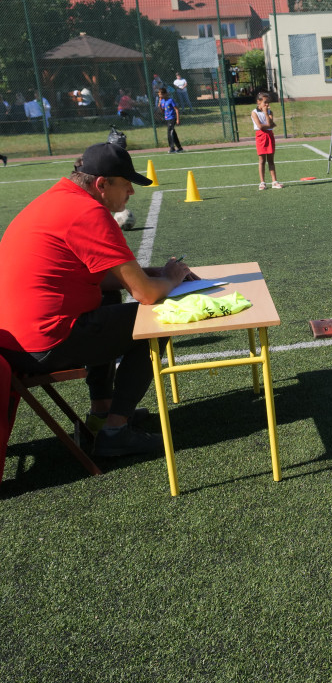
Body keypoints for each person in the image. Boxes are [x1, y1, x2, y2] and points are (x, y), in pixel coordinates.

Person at [0, 143, 195, 457]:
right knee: (156, 318)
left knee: (108, 295)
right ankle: (115, 432)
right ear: (102, 184)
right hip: (42, 344)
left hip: (13, 340)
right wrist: (170, 278)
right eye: (126, 183)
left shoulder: (58, 198)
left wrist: (152, 271)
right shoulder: (88, 212)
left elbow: (103, 277)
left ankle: (102, 413)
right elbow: (144, 294)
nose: (131, 191)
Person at [251, 92, 283, 190]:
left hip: (270, 136)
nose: (267, 105)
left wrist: (266, 113)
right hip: (260, 136)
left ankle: (274, 181)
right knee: (261, 160)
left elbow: (270, 124)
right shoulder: (254, 112)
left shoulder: (269, 112)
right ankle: (262, 182)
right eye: (265, 102)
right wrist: (269, 125)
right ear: (258, 102)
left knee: (271, 160)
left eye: (268, 102)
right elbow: (261, 126)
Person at [157, 87, 184, 153]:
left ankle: (172, 148)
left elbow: (176, 109)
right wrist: (159, 106)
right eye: (159, 95)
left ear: (165, 94)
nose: (160, 96)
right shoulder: (162, 101)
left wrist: (178, 119)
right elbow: (163, 111)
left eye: (161, 95)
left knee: (169, 132)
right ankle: (179, 147)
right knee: (173, 133)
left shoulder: (171, 100)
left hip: (172, 118)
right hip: (167, 118)